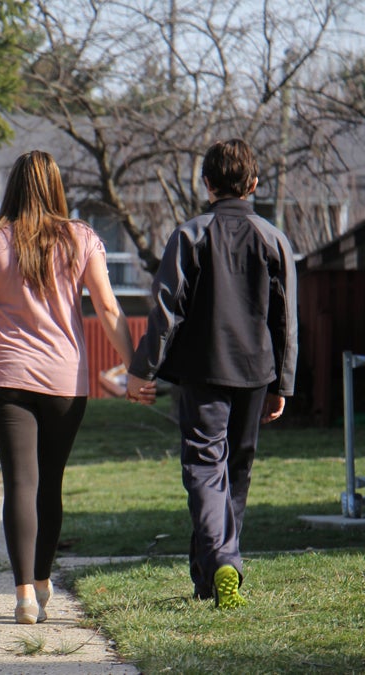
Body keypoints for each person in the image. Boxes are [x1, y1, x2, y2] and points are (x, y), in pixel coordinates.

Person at [0, 150, 134, 624]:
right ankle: (40, 580)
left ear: (13, 186)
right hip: (64, 379)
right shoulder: (82, 239)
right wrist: (136, 368)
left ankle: (24, 597)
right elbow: (110, 310)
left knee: (20, 481)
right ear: (57, 186)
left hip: (5, 377)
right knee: (49, 483)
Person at [126, 138, 298, 609]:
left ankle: (221, 560)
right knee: (235, 472)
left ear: (206, 185)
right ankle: (211, 576)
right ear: (255, 184)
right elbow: (286, 320)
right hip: (256, 372)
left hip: (203, 371)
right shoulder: (273, 238)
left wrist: (143, 368)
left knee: (205, 469)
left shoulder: (190, 234)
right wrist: (283, 382)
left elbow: (165, 310)